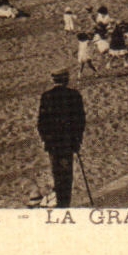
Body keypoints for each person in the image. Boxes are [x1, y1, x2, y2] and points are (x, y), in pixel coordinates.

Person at [36, 69, 87, 207]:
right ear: (67, 79)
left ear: (53, 80)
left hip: (53, 143)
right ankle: (65, 203)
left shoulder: (46, 96)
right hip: (68, 142)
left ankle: (59, 202)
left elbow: (41, 123)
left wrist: (45, 139)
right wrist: (77, 140)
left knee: (56, 173)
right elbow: (80, 121)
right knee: (67, 174)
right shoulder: (74, 95)